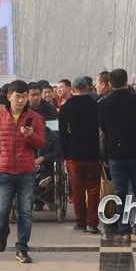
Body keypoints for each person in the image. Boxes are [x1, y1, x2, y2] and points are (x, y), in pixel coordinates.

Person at [0, 80, 46, 264]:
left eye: (24, 97)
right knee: (1, 213)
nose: (21, 100)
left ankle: (22, 248)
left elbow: (42, 144)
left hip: (26, 172)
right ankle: (3, 233)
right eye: (18, 97)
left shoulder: (35, 117)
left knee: (26, 212)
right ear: (9, 96)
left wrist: (31, 135)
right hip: (4, 171)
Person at [98, 68, 136, 243]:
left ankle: (124, 230)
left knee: (120, 193)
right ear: (126, 81)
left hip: (115, 154)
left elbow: (103, 130)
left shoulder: (103, 103)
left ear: (110, 83)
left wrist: (104, 156)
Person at [58, 76, 101, 234]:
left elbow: (63, 134)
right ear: (87, 88)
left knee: (77, 190)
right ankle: (92, 223)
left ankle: (80, 223)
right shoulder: (95, 105)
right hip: (93, 153)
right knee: (93, 189)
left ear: (72, 89)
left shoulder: (66, 107)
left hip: (73, 155)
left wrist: (65, 154)